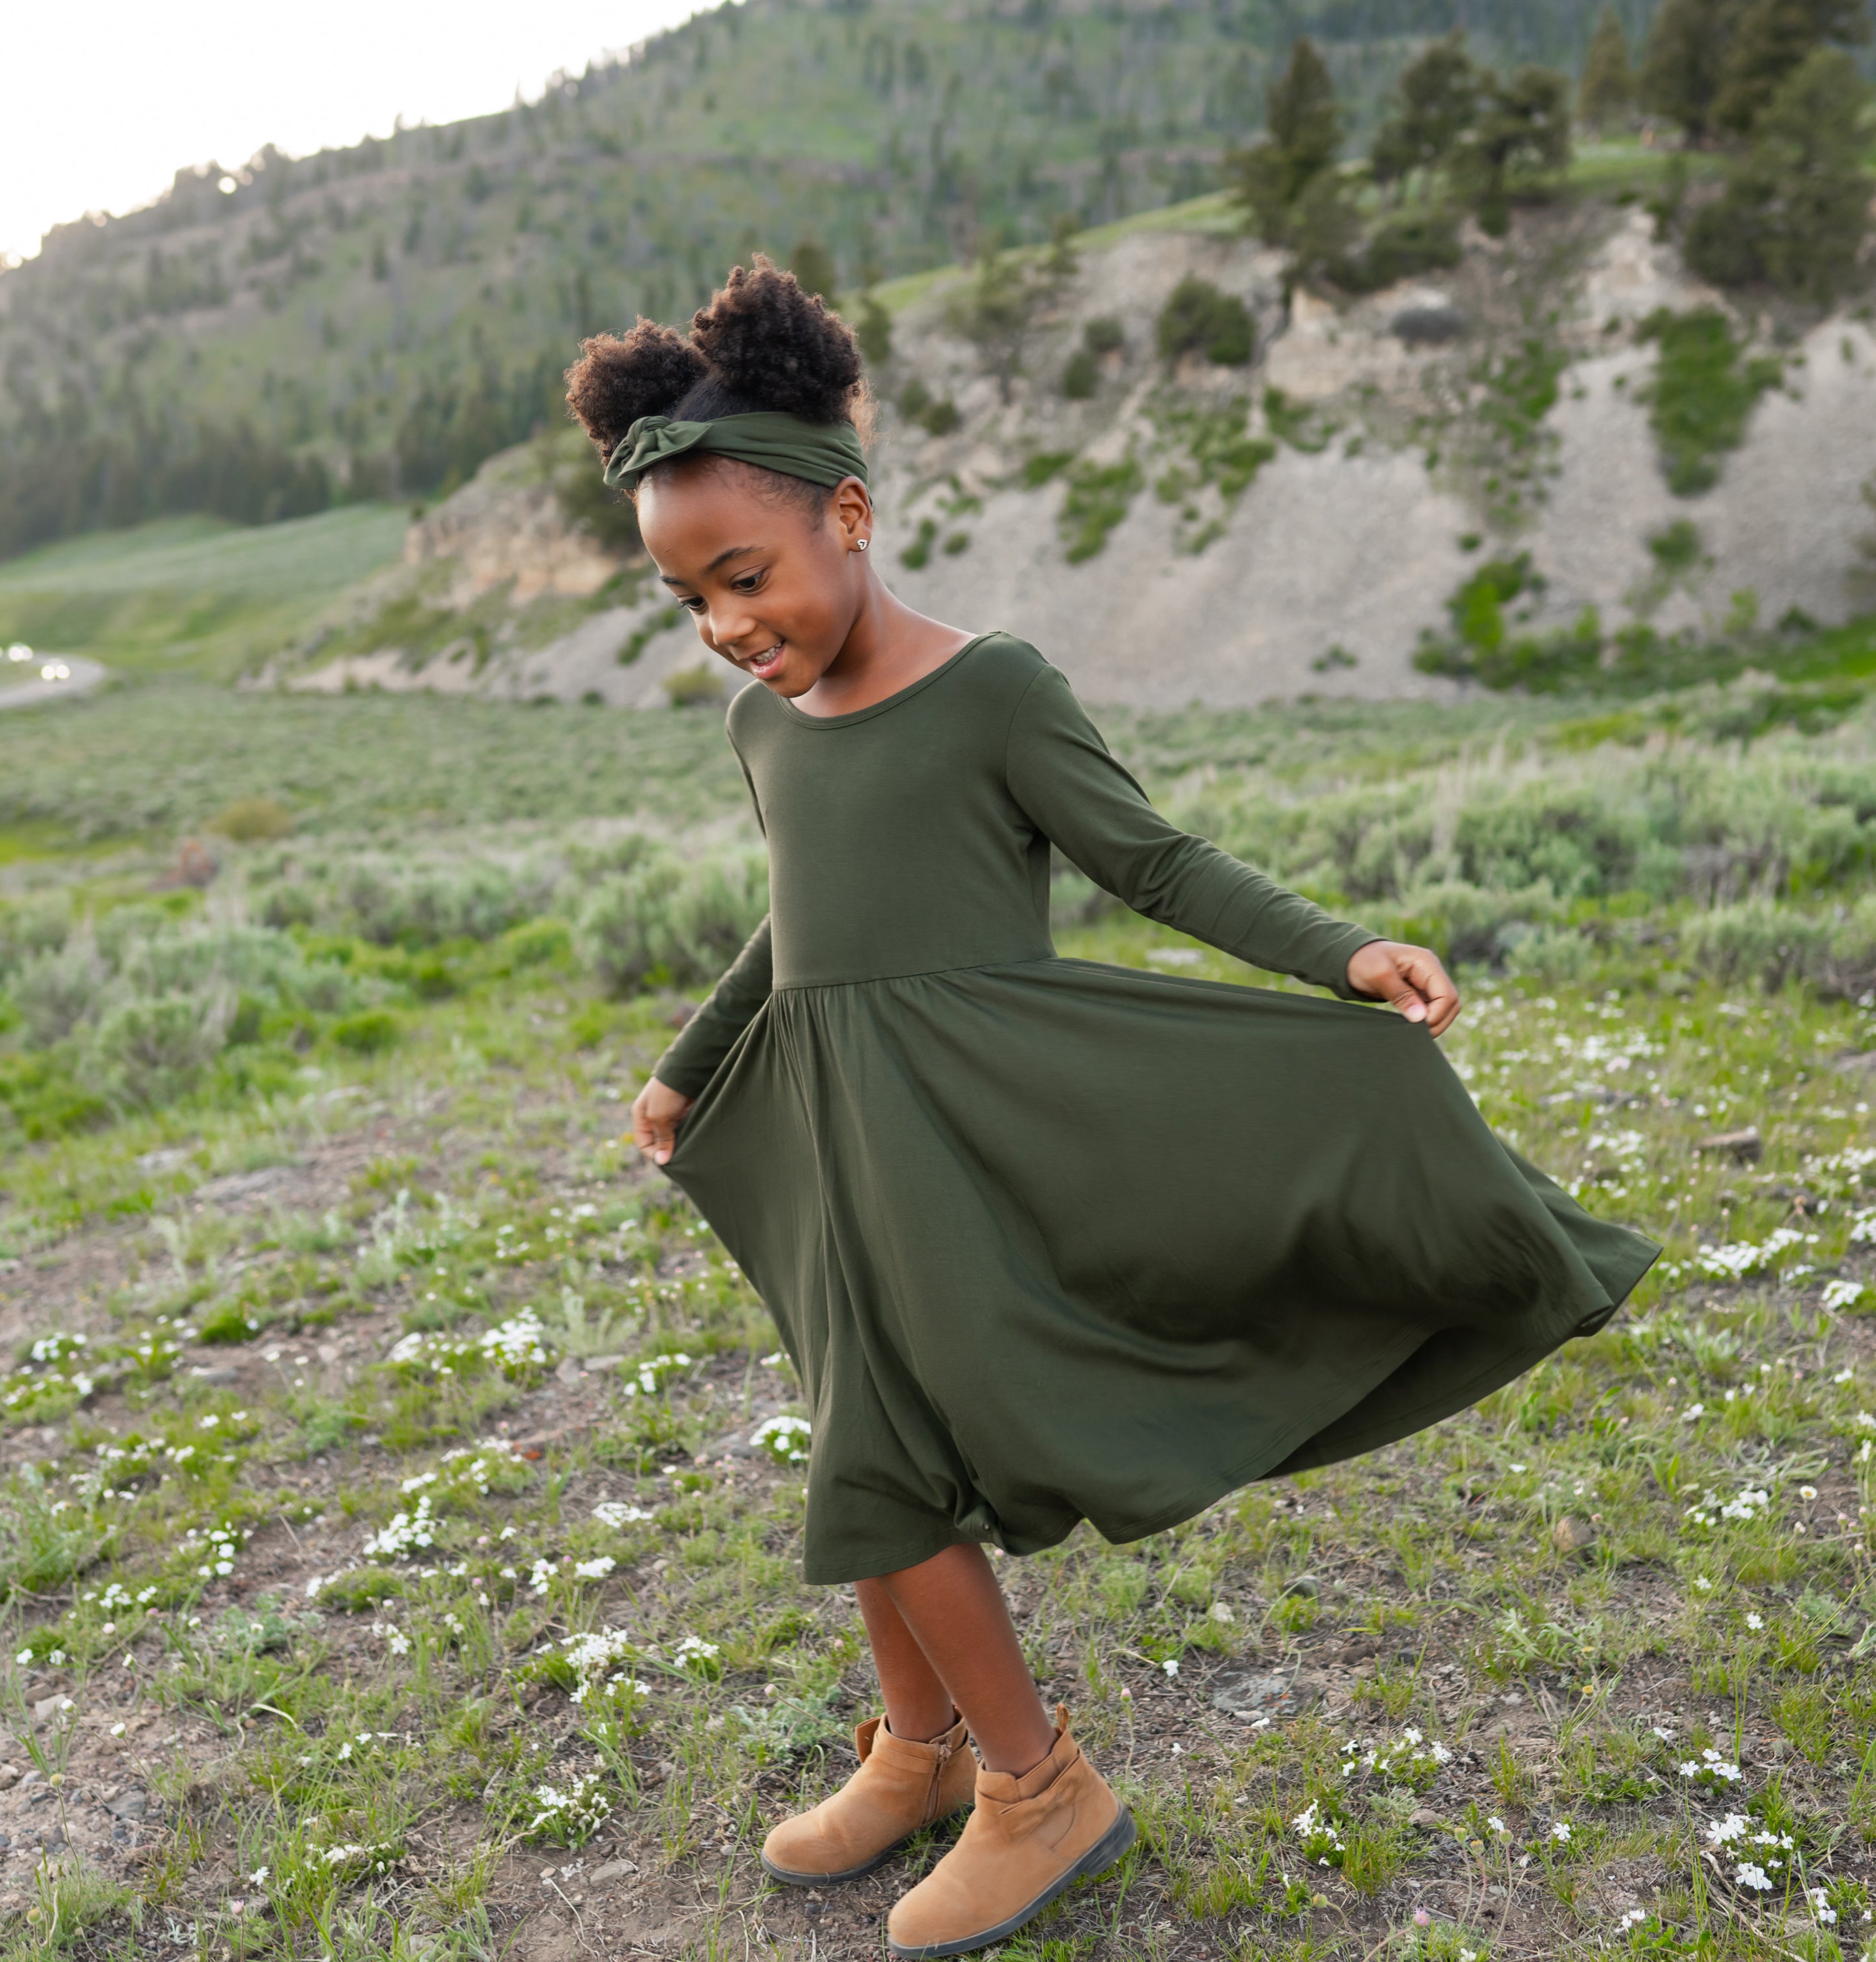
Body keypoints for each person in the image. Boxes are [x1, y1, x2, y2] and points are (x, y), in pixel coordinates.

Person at [567, 258, 1658, 1961]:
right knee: (867, 1435)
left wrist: (1338, 952)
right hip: (842, 1129)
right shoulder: (764, 735)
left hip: (981, 1128)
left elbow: (1151, 860)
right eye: (691, 602)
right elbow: (799, 924)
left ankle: (1035, 1789)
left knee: (880, 1454)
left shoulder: (994, 690)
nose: (727, 625)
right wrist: (692, 1064)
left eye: (746, 577)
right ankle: (920, 1752)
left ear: (845, 517)